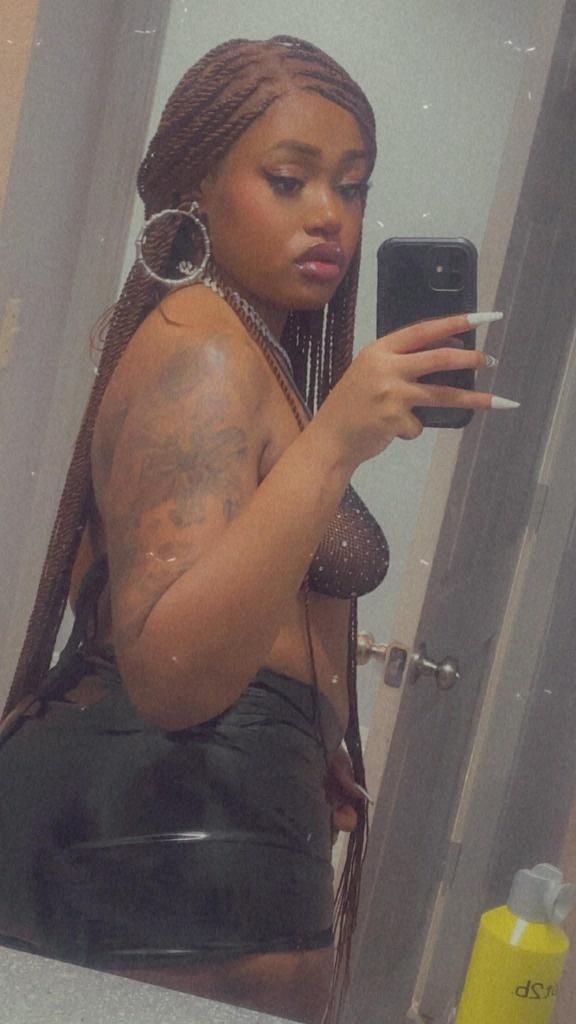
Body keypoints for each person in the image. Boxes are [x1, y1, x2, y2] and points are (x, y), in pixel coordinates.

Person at [0, 35, 511, 1024]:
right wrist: (338, 442)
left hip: (203, 817)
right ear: (198, 186)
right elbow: (168, 671)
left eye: (352, 187)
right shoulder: (203, 350)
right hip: (155, 833)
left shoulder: (243, 342)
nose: (329, 215)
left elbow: (210, 596)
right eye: (288, 179)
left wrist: (301, 738)